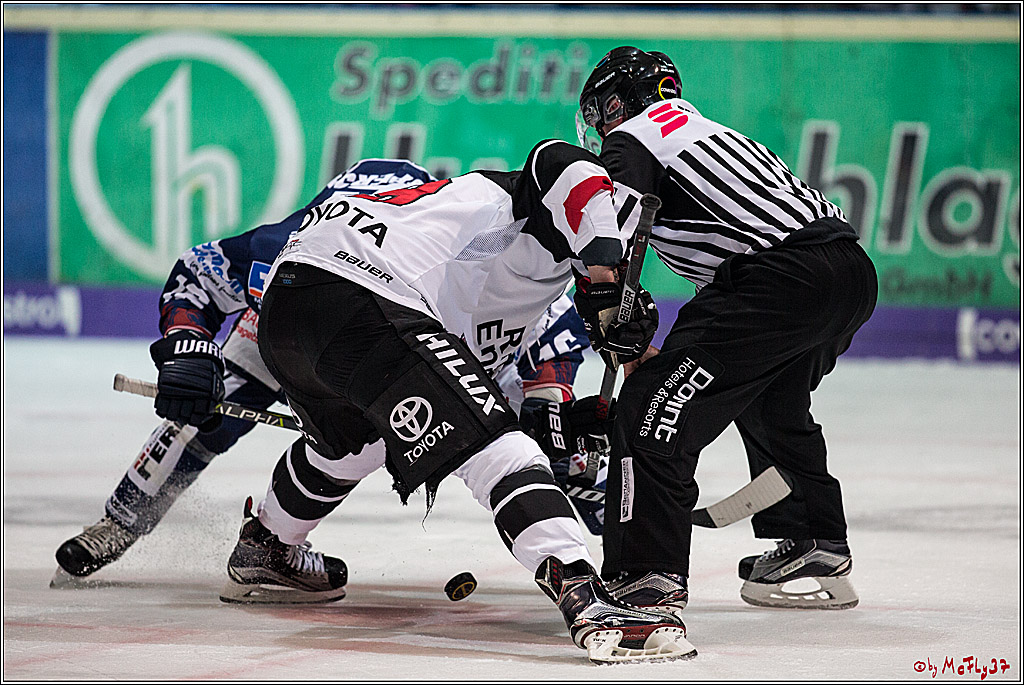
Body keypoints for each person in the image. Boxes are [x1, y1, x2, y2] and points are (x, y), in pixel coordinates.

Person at [102, 139, 691, 663]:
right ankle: (587, 600)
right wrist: (607, 283)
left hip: (294, 312)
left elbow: (478, 394)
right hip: (366, 297)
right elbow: (563, 163)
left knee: (360, 442)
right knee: (498, 450)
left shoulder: (533, 288)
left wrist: (565, 426)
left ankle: (267, 545)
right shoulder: (530, 198)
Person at [574, 47, 878, 614]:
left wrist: (613, 322)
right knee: (771, 403)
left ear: (616, 103)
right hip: (849, 269)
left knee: (648, 414)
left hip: (777, 280)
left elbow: (609, 241)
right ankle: (814, 538)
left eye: (599, 112)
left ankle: (645, 576)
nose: (597, 128)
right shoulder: (705, 130)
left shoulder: (632, 139)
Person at [51, 160, 439, 584]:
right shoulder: (281, 251)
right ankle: (126, 521)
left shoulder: (430, 269)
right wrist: (189, 347)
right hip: (283, 310)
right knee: (202, 416)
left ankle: (273, 543)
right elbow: (199, 271)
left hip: (364, 323)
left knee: (354, 443)